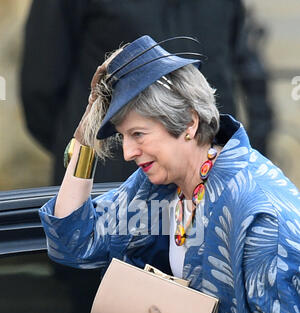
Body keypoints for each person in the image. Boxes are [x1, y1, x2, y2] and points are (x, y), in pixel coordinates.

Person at [39, 35, 300, 313]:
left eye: (138, 134)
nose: (127, 152)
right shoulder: (160, 186)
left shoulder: (260, 206)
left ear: (189, 123)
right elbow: (74, 242)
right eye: (122, 136)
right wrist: (86, 139)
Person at [20, 0, 273, 185]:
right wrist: (93, 151)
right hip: (110, 188)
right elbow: (41, 89)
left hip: (210, 184)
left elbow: (245, 68)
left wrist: (246, 152)